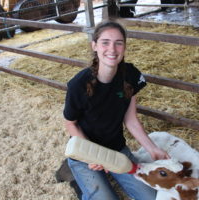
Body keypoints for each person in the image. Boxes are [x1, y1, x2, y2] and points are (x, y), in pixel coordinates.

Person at [63, 20, 170, 200]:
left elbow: (131, 120)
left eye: (118, 43)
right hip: (86, 152)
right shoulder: (78, 85)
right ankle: (79, 181)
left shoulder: (130, 75)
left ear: (124, 47)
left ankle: (104, 176)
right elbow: (70, 123)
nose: (112, 49)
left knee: (151, 197)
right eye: (105, 42)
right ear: (94, 46)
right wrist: (93, 156)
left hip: (117, 150)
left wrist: (152, 149)